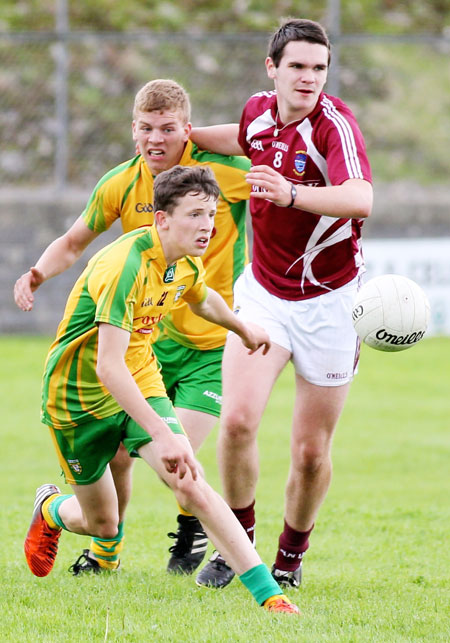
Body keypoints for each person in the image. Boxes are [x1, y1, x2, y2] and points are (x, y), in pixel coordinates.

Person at [23, 165, 299, 615]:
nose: (207, 225)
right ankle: (53, 509)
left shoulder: (185, 260)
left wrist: (242, 328)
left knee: (189, 481)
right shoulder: (124, 266)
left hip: (141, 380)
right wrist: (164, 432)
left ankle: (271, 596)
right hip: (77, 398)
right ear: (162, 219)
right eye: (194, 214)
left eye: (210, 214)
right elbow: (108, 367)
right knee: (101, 521)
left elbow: (202, 295)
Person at [14, 79, 251, 575]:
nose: (155, 139)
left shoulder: (226, 174)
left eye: (168, 129)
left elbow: (268, 138)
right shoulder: (121, 182)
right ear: (133, 130)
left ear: (188, 130)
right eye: (146, 128)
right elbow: (75, 241)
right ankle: (105, 550)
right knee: (121, 452)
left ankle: (193, 538)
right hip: (147, 342)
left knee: (176, 461)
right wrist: (37, 272)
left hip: (211, 346)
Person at [190, 18, 373, 589]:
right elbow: (240, 137)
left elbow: (360, 198)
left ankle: (289, 559)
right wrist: (188, 137)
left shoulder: (334, 127)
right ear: (272, 69)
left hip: (330, 304)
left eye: (319, 68)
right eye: (297, 66)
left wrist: (291, 194)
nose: (309, 78)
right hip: (263, 295)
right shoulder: (258, 111)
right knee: (239, 422)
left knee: (311, 454)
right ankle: (237, 543)